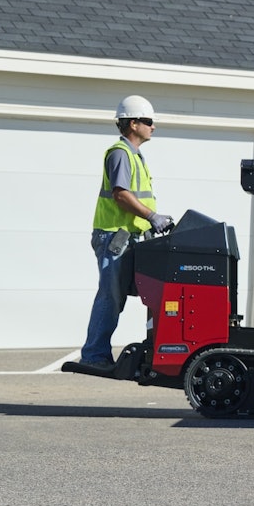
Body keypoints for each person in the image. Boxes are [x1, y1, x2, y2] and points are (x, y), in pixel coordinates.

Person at [78, 95, 175, 369]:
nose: (153, 126)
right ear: (133, 124)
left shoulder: (134, 156)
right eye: (148, 121)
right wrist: (151, 216)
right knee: (110, 296)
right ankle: (94, 355)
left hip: (127, 238)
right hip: (115, 238)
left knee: (127, 295)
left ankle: (108, 353)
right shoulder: (121, 154)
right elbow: (121, 195)